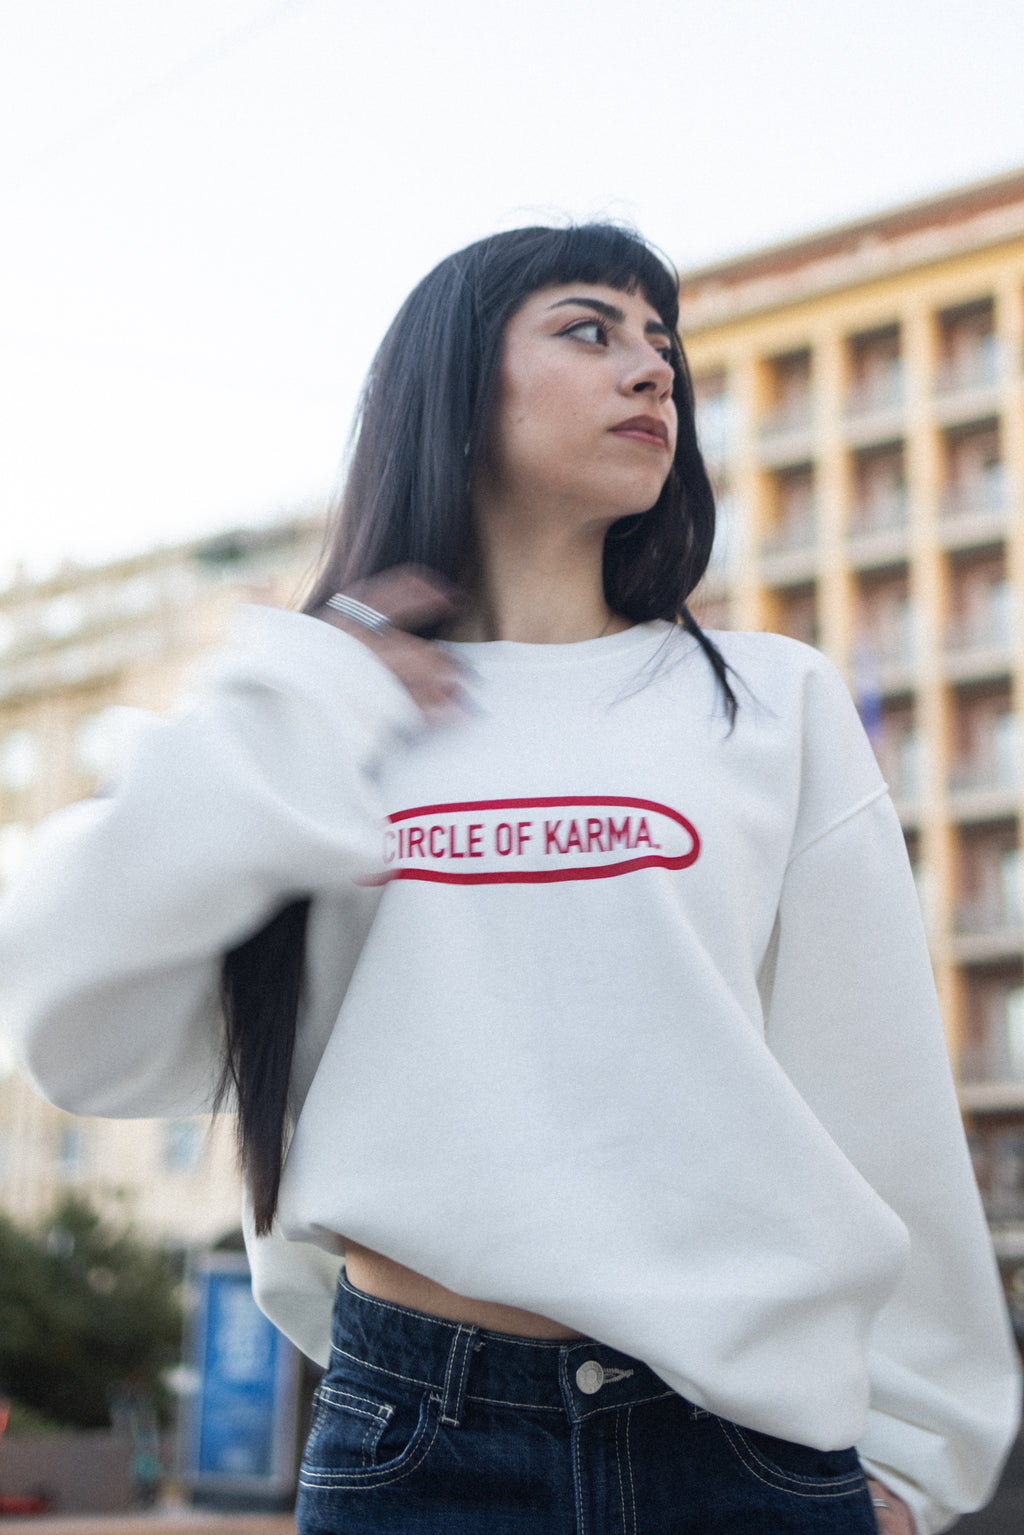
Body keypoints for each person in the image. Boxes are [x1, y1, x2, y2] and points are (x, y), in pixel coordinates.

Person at [0, 224, 1019, 1535]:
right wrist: (297, 706)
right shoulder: (328, 714)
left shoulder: (770, 702)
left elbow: (876, 1088)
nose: (653, 373)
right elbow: (76, 1036)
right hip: (415, 1444)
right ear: (452, 393)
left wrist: (914, 1465)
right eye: (591, 331)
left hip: (746, 1450)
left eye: (664, 345)